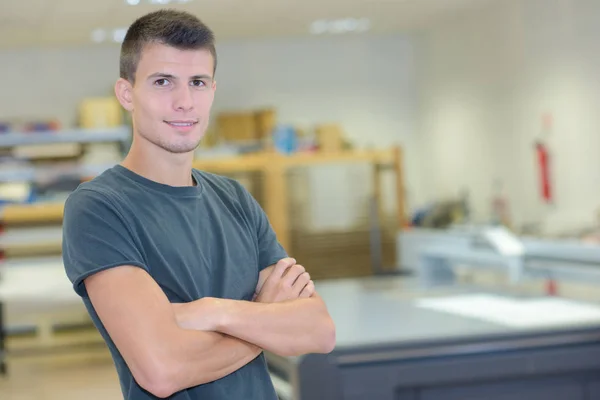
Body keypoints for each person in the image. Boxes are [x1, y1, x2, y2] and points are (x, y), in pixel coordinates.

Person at [61, 9, 336, 400]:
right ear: (126, 93)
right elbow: (162, 370)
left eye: (197, 82)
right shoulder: (99, 208)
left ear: (212, 91)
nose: (184, 102)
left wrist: (213, 311)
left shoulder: (235, 199)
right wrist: (263, 317)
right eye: (162, 82)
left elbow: (319, 330)